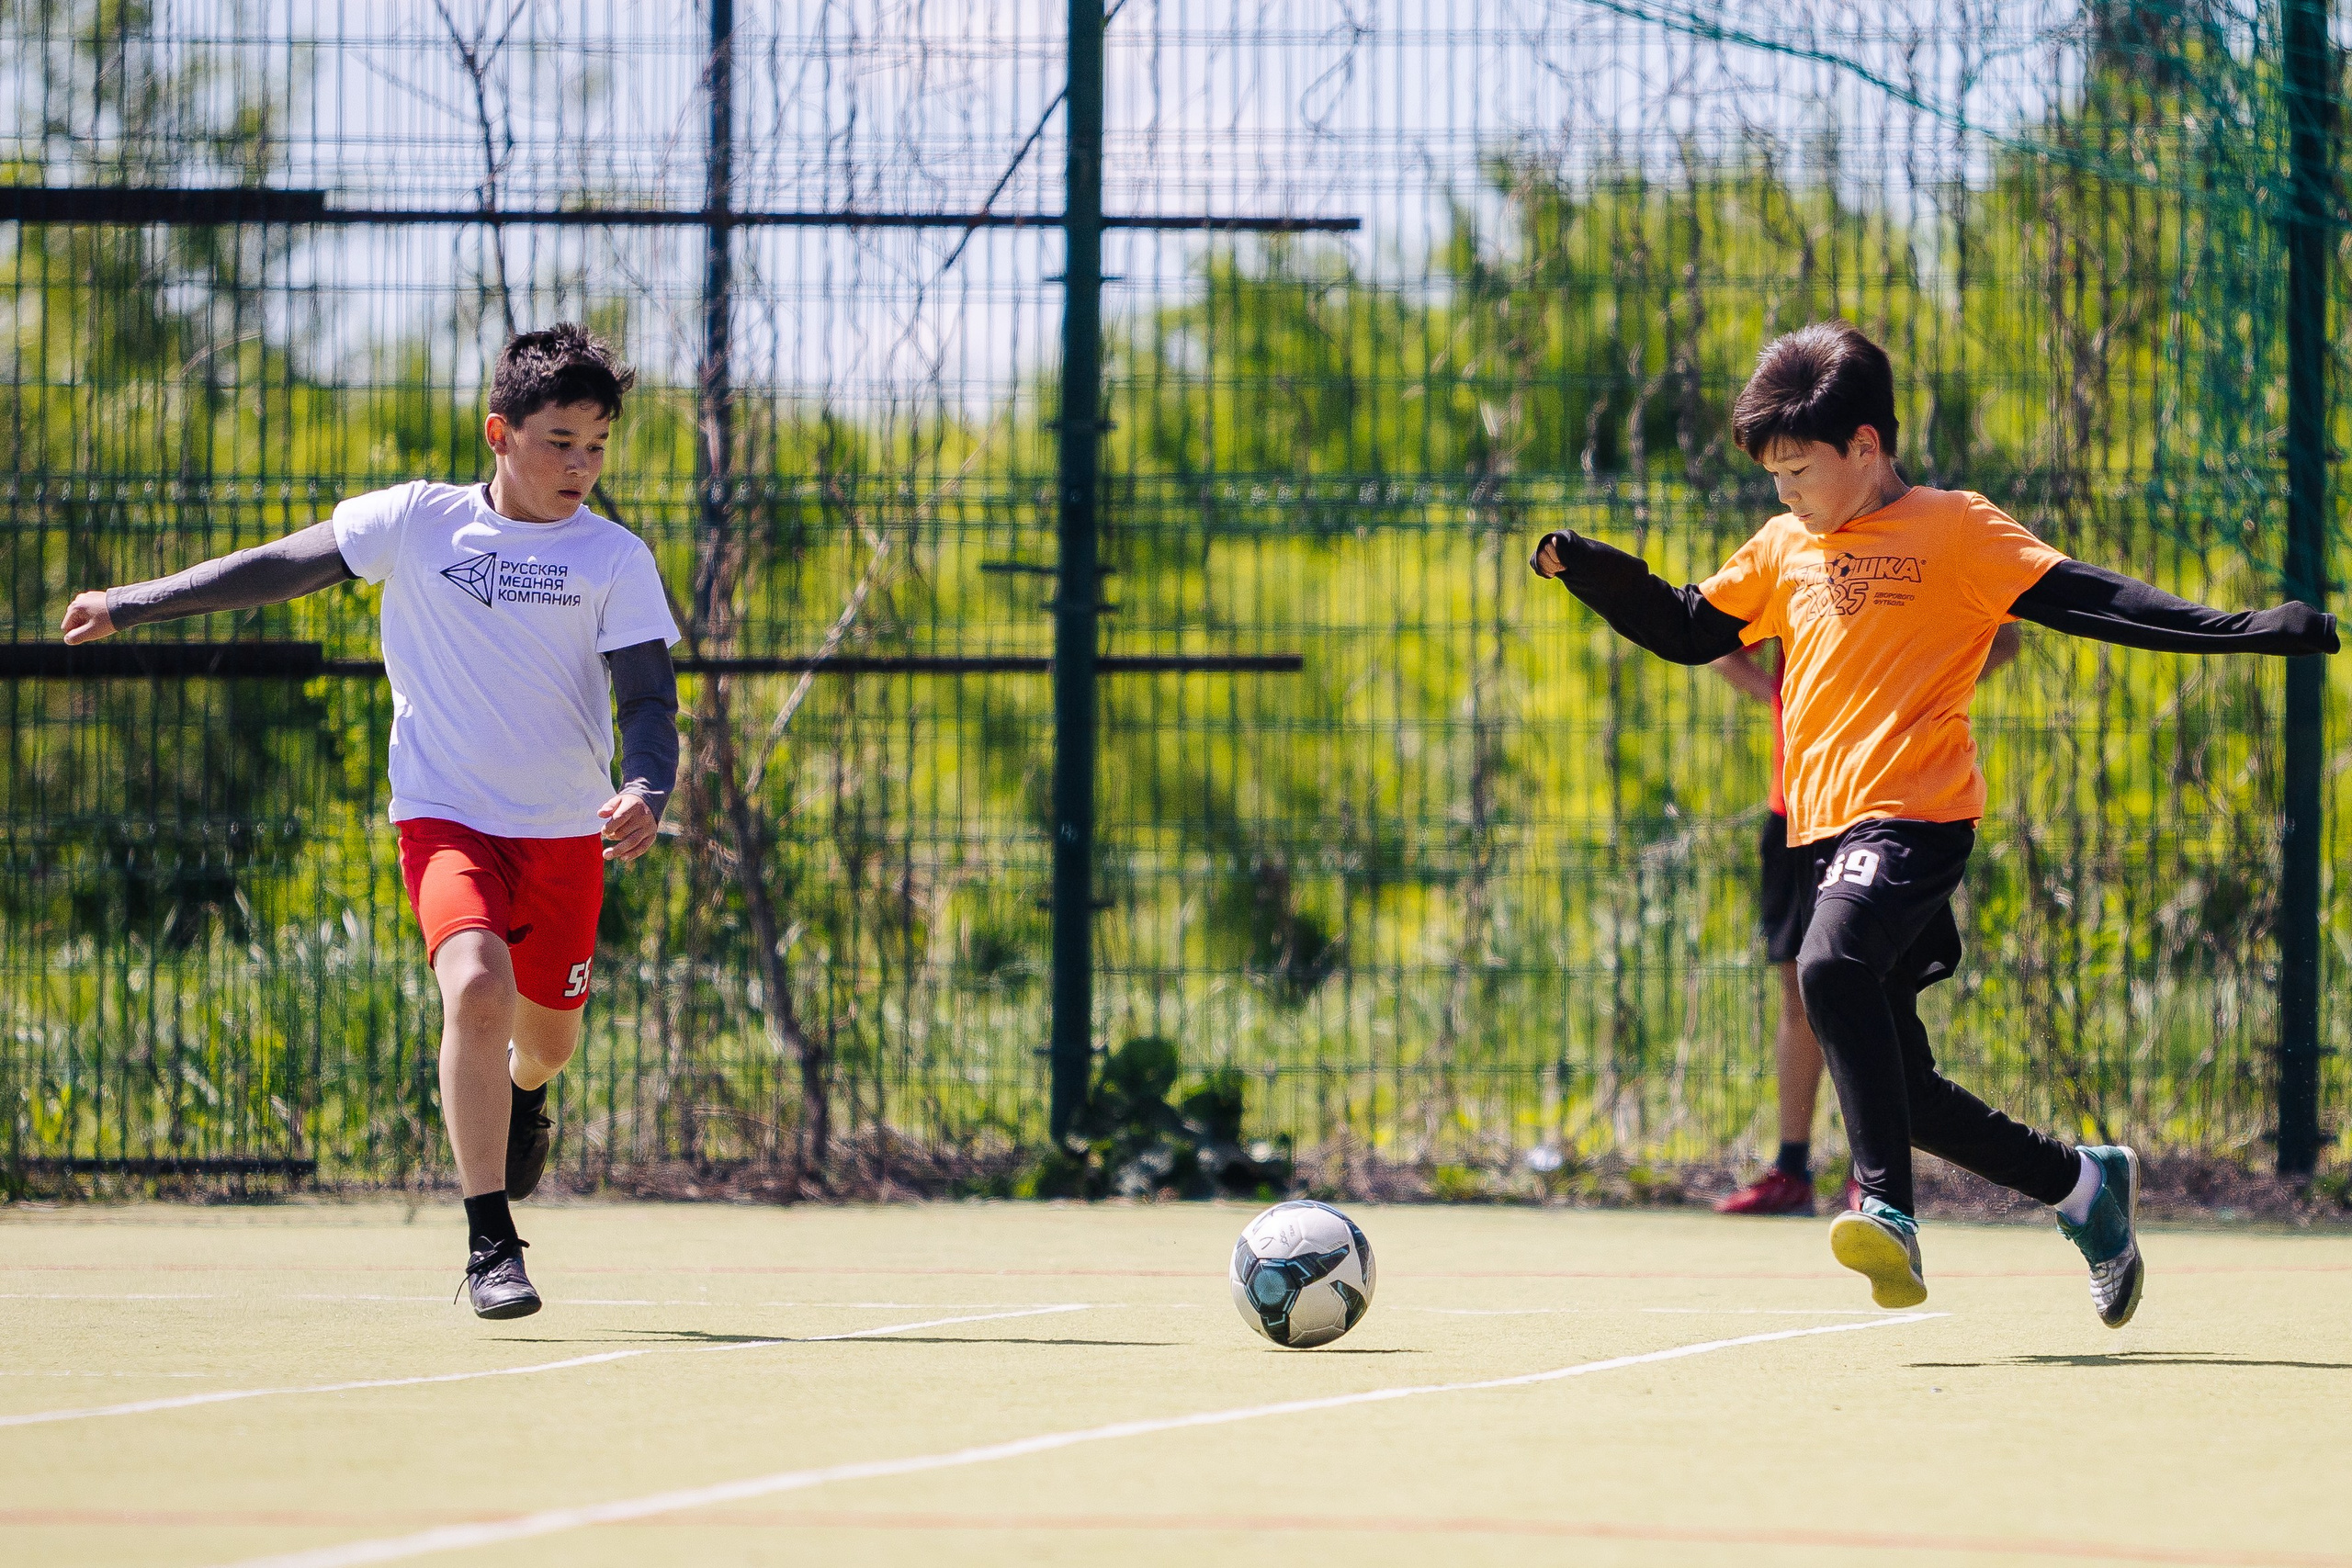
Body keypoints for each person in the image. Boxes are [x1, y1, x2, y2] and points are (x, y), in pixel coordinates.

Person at [1532, 320, 2335, 1324]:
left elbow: (2087, 599)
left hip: (1914, 819)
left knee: (1825, 970)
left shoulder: (1956, 528)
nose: (1783, 491)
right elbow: (1690, 627)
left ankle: (1888, 1212)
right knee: (1900, 1085)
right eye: (1771, 475)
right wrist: (1594, 568)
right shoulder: (1787, 545)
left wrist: (2247, 630)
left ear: (1866, 447)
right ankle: (2085, 1187)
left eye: (1797, 469)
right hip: (1824, 833)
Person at [59, 324, 681, 1321]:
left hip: (566, 834)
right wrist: (129, 603)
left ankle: (526, 1095)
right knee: (475, 985)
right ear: (499, 433)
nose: (581, 466)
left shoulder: (613, 557)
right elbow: (274, 565)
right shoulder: (415, 522)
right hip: (444, 819)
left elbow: (650, 704)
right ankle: (490, 1248)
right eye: (560, 440)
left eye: (598, 445)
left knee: (547, 1042)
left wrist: (647, 790)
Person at [1711, 625, 2015, 1217]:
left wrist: (1918, 696)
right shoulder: (1793, 554)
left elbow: (2002, 639)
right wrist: (1784, 700)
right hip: (1796, 811)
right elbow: (1720, 646)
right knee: (1801, 991)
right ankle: (1791, 1168)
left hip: (1886, 816)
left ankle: (1872, 1175)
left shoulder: (1920, 549)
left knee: (1869, 990)